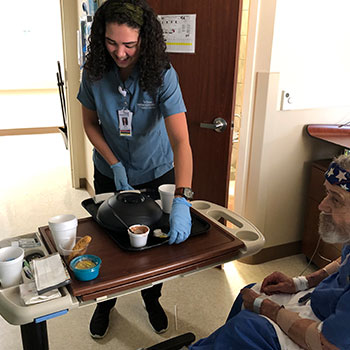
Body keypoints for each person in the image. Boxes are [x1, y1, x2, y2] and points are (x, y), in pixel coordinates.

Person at [77, 0, 194, 339]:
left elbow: (181, 142)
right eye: (112, 42)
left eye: (129, 44)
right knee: (107, 240)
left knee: (153, 243)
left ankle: (151, 297)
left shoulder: (162, 74)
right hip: (109, 170)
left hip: (156, 171)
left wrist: (183, 198)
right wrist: (113, 162)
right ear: (102, 38)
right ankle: (105, 301)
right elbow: (89, 123)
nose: (121, 52)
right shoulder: (95, 72)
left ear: (145, 39)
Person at [187, 154, 350, 350]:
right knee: (252, 292)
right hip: (324, 304)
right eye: (327, 193)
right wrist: (301, 282)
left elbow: (328, 344)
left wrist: (268, 309)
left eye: (336, 199)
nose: (322, 205)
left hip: (325, 336)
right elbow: (343, 261)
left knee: (246, 328)